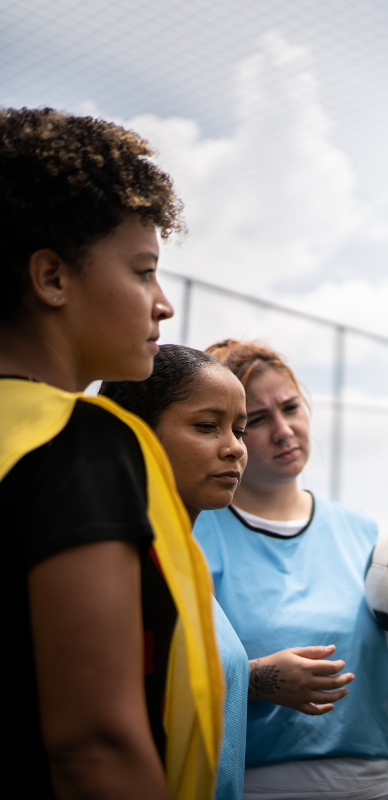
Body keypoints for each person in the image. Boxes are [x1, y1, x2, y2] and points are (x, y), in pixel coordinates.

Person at [0, 107, 222, 800]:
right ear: (51, 278)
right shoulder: (76, 446)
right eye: (143, 271)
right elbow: (94, 744)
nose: (163, 305)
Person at [195, 339, 388, 800]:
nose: (284, 430)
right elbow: (172, 679)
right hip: (257, 786)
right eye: (257, 420)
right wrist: (256, 679)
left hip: (379, 785)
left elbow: (369, 681)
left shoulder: (362, 531)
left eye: (291, 407)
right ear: (230, 432)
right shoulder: (197, 536)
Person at [101, 344, 371, 800]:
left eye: (239, 429)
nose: (234, 448)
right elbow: (101, 734)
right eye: (208, 427)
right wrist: (260, 677)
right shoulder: (121, 565)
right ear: (137, 435)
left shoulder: (180, 561)